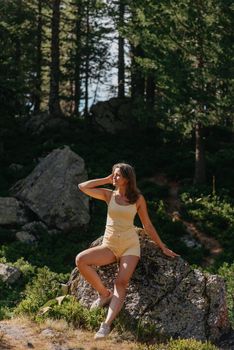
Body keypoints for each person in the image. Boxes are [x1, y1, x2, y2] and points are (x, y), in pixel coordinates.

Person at [76, 162, 179, 340]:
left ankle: (106, 325)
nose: (114, 177)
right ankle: (104, 294)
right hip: (108, 246)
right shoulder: (109, 195)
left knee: (121, 283)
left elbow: (147, 225)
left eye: (117, 175)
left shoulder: (138, 199)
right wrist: (106, 179)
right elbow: (82, 187)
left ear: (127, 179)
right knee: (81, 260)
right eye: (113, 174)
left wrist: (162, 247)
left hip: (130, 247)